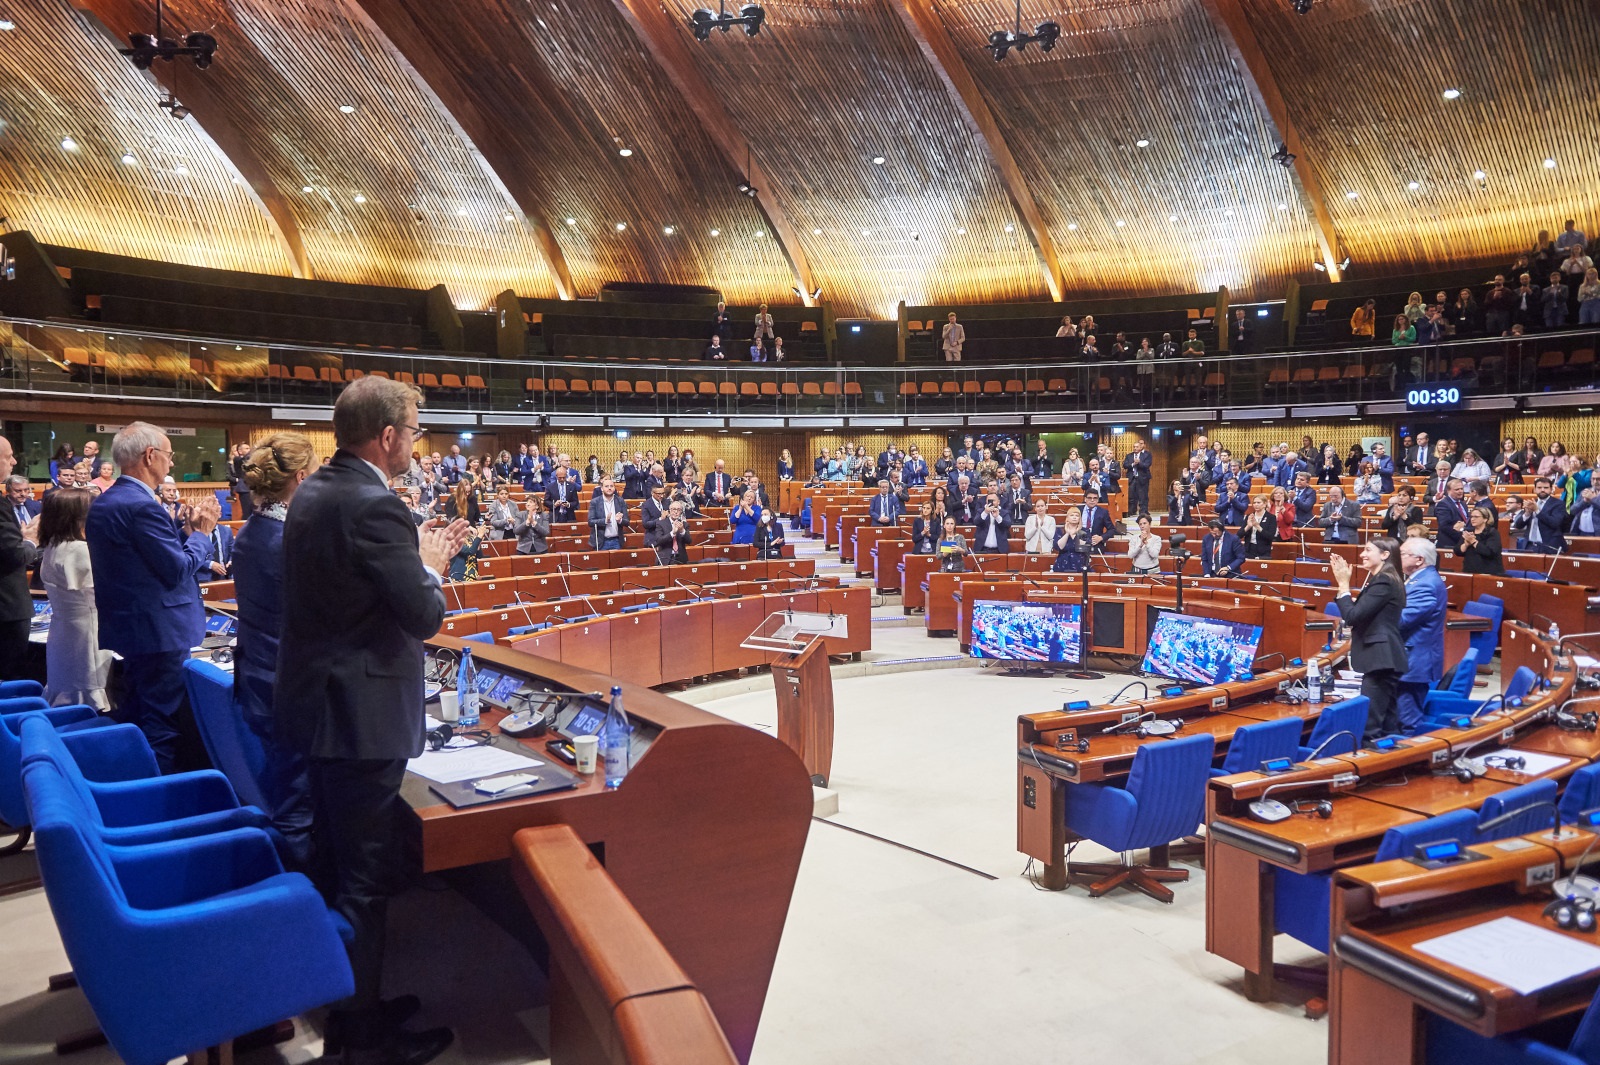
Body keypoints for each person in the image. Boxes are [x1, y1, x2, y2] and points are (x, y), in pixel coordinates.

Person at [276, 377, 467, 1065]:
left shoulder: (316, 491)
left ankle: (354, 1008)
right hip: (360, 719)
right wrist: (430, 565)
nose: (416, 441)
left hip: (320, 711)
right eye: (413, 429)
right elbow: (424, 614)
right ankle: (362, 1042)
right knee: (363, 882)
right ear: (387, 435)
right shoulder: (374, 504)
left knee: (337, 869)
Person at [84, 423, 215, 772]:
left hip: (133, 628)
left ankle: (134, 790)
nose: (171, 464)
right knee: (162, 725)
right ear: (150, 456)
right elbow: (176, 570)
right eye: (169, 456)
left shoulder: (107, 500)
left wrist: (183, 532)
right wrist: (202, 535)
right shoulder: (142, 506)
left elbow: (142, 564)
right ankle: (161, 806)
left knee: (137, 717)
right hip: (159, 633)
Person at [229, 432, 316, 869]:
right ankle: (305, 902)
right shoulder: (290, 542)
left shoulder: (252, 531)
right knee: (298, 805)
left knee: (286, 790)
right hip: (288, 688)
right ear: (301, 477)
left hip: (260, 680)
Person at [36, 489, 111, 710]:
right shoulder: (79, 550)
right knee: (87, 686)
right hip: (87, 631)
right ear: (77, 517)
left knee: (65, 682)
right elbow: (102, 593)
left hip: (63, 630)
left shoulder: (53, 546)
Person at [1330, 539, 1409, 738]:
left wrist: (1343, 585)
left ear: (1384, 554)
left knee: (1370, 728)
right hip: (1384, 658)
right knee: (1388, 724)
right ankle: (1393, 764)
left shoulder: (1384, 580)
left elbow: (1352, 617)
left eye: (1368, 550)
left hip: (1381, 659)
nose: (1362, 555)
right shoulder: (1384, 578)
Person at [1394, 537, 1447, 732]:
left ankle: (1411, 758)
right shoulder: (1420, 579)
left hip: (1414, 662)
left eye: (1402, 554)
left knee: (1408, 722)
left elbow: (1400, 620)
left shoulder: (1426, 584)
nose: (1397, 557)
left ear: (1419, 559)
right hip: (1410, 658)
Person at [0, 437, 40, 683]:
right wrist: (31, 540)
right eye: (8, 456)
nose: (14, 462)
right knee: (11, 682)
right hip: (6, 611)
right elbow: (14, 555)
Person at [1526, 476, 1568, 553]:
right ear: (1534, 490)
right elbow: (1518, 525)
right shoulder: (1531, 503)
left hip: (1549, 546)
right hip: (1530, 546)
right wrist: (1526, 514)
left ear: (1551, 490)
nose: (1542, 490)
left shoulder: (1558, 504)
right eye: (1539, 487)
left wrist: (1537, 510)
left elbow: (1555, 523)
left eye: (1546, 488)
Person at [587, 476, 629, 550]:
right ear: (602, 489)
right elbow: (590, 522)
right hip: (601, 541)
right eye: (606, 486)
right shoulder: (595, 502)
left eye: (611, 486)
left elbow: (627, 522)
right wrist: (605, 520)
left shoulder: (620, 501)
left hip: (616, 541)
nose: (609, 488)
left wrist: (620, 520)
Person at [1459, 506, 1503, 575]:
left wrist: (1473, 542)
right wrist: (1466, 544)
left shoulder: (1492, 533)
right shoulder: (1469, 532)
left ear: (1485, 519)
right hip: (1469, 571)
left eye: (1476, 517)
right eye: (1471, 517)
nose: (1472, 519)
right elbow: (1457, 551)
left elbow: (1489, 552)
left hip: (1488, 571)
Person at [1049, 508, 1088, 574]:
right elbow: (1059, 547)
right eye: (1072, 515)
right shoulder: (1060, 530)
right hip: (1062, 563)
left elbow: (1083, 547)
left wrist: (1075, 534)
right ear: (1067, 517)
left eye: (1077, 515)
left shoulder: (1085, 531)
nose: (1074, 517)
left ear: (1079, 518)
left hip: (1079, 562)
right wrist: (1067, 533)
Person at [1239, 495, 1277, 559]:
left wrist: (1257, 526)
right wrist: (1248, 526)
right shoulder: (1249, 516)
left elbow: (1270, 536)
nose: (1256, 504)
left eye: (1258, 503)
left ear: (1265, 504)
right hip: (1249, 549)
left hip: (1263, 551)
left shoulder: (1271, 518)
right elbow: (1239, 535)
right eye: (1254, 503)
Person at [1123, 437, 1152, 517]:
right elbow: (1125, 465)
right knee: (1131, 496)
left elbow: (1147, 465)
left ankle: (1143, 512)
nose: (1135, 448)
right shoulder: (1129, 456)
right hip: (1132, 478)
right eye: (1134, 447)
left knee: (1143, 496)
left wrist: (1139, 463)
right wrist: (1133, 464)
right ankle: (1131, 511)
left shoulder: (1146, 455)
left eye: (1137, 447)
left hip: (1142, 478)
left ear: (1140, 447)